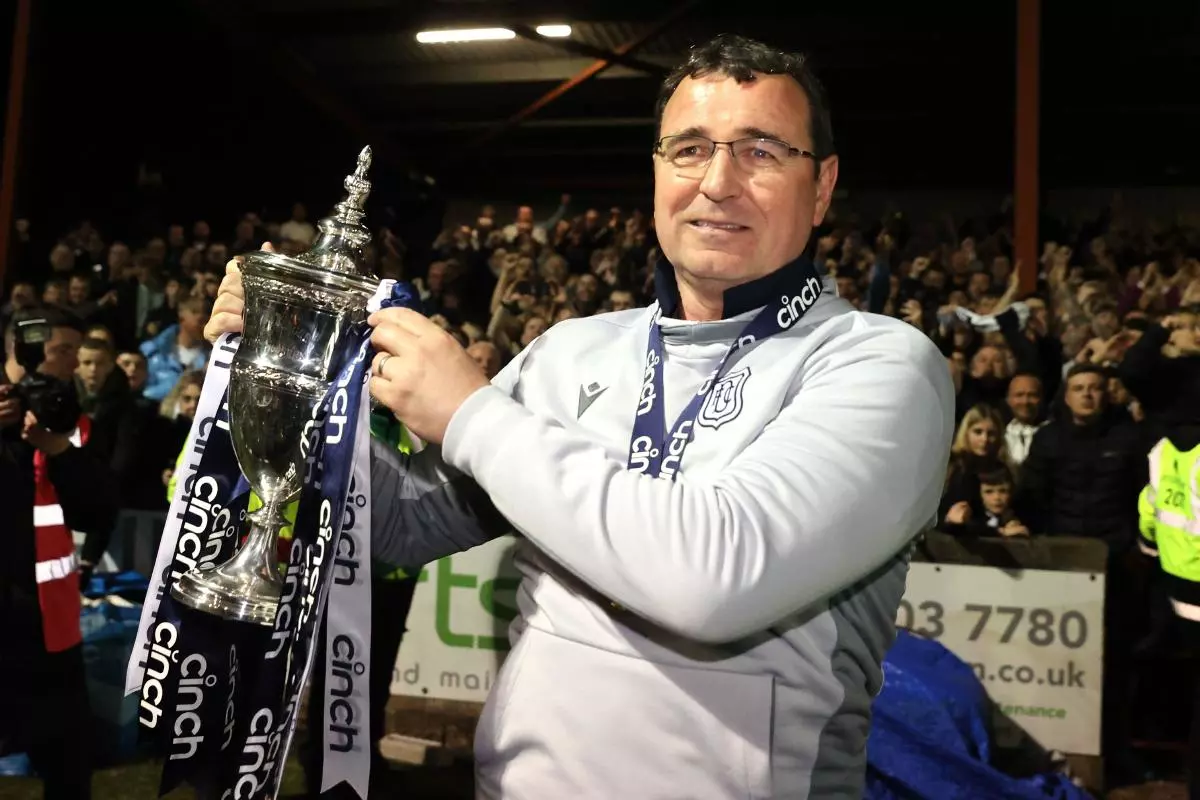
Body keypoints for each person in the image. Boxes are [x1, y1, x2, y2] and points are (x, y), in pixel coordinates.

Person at [207, 35, 954, 799]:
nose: (719, 182)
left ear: (822, 186)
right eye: (690, 149)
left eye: (762, 152)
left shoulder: (882, 366)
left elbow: (716, 582)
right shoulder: (572, 352)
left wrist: (471, 413)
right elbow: (397, 523)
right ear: (658, 173)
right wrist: (294, 370)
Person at [1, 308, 120, 799]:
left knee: (69, 766)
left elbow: (97, 510)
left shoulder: (67, 420)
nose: (74, 364)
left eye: (77, 350)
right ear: (21, 351)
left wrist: (56, 448)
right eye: (62, 351)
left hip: (50, 627)